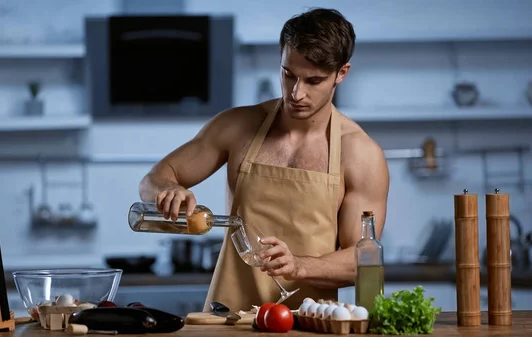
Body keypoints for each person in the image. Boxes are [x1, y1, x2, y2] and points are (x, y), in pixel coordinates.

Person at [139, 8, 390, 311]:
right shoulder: (237, 126)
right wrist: (168, 189)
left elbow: (362, 261)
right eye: (288, 75)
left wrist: (300, 266)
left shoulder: (360, 154)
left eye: (313, 81)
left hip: (305, 323)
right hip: (226, 319)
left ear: (342, 73)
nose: (297, 93)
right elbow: (151, 180)